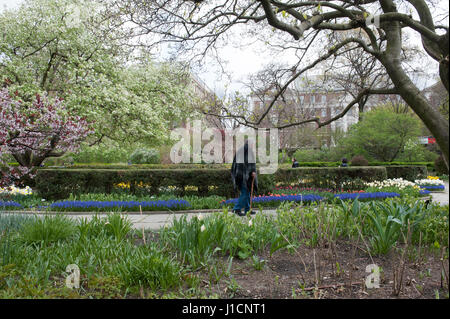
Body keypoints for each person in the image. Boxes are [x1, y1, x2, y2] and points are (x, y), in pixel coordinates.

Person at [231, 139, 258, 216]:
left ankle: (247, 209)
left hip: (239, 175)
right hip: (243, 176)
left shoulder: (242, 150)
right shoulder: (247, 150)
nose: (253, 146)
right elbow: (249, 163)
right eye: (253, 144)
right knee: (245, 192)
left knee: (247, 192)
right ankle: (236, 209)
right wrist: (252, 171)